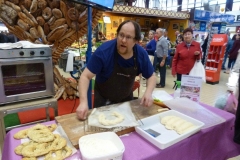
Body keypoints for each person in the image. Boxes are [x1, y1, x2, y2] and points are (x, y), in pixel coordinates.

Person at [76, 20, 156, 120]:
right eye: (121, 35)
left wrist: (148, 92)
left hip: (126, 100)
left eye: (128, 37)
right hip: (103, 100)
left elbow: (151, 76)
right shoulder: (104, 51)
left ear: (136, 41)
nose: (123, 40)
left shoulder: (140, 54)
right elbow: (85, 76)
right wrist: (83, 102)